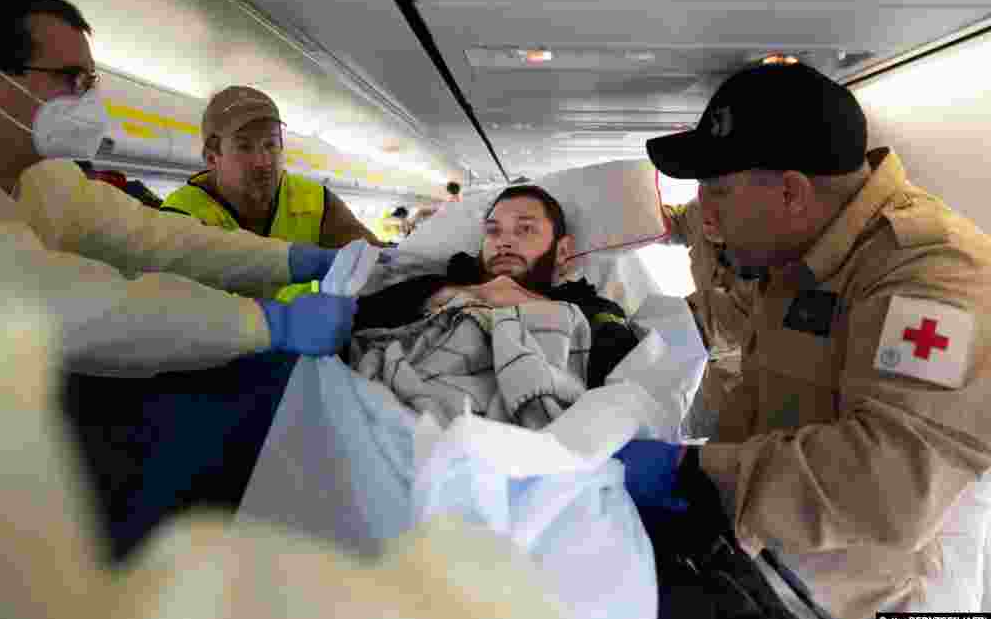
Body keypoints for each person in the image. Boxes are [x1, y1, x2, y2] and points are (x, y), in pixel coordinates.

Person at [0, 0, 358, 561]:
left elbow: (152, 237)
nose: (87, 100)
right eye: (70, 80)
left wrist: (288, 260)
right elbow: (79, 307)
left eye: (90, 82)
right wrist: (268, 323)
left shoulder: (39, 175)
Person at [622, 60, 991, 619]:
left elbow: (889, 483)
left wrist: (693, 476)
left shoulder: (930, 273)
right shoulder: (795, 250)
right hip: (777, 567)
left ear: (792, 193)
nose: (707, 217)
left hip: (879, 605)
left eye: (718, 191)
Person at [355, 185, 640, 389]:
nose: (504, 241)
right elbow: (357, 325)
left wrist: (529, 305)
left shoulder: (593, 310)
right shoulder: (433, 287)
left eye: (525, 229)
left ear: (563, 251)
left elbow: (621, 372)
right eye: (493, 231)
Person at [161, 85, 383, 300]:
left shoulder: (316, 200)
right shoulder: (182, 216)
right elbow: (172, 309)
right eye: (244, 147)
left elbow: (376, 266)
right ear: (212, 158)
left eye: (270, 144)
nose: (263, 162)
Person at [661, 199, 757, 436]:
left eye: (722, 196)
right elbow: (679, 221)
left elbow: (742, 318)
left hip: (750, 403)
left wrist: (668, 328)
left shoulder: (771, 252)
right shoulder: (703, 209)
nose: (707, 208)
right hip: (709, 385)